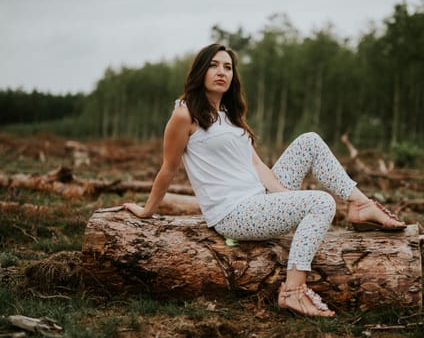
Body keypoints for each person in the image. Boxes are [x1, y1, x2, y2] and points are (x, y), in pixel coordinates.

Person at [123, 43, 406, 317]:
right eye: (213, 65)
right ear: (200, 71)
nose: (222, 72)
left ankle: (359, 203)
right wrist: (148, 210)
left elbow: (257, 165)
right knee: (321, 202)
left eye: (228, 67)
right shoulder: (184, 114)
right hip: (233, 213)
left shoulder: (229, 115)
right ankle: (293, 291)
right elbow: (168, 169)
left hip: (258, 198)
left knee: (310, 141)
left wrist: (285, 198)